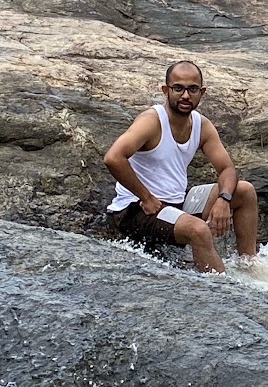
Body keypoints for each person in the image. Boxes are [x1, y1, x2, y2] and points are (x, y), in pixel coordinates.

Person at [103, 59, 259, 272]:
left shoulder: (201, 124)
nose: (186, 95)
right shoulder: (152, 121)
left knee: (245, 191)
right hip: (138, 209)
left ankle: (249, 267)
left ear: (202, 93)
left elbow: (227, 169)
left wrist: (224, 200)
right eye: (178, 88)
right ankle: (226, 292)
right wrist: (146, 197)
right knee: (198, 230)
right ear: (166, 90)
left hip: (177, 204)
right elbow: (113, 158)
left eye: (192, 89)